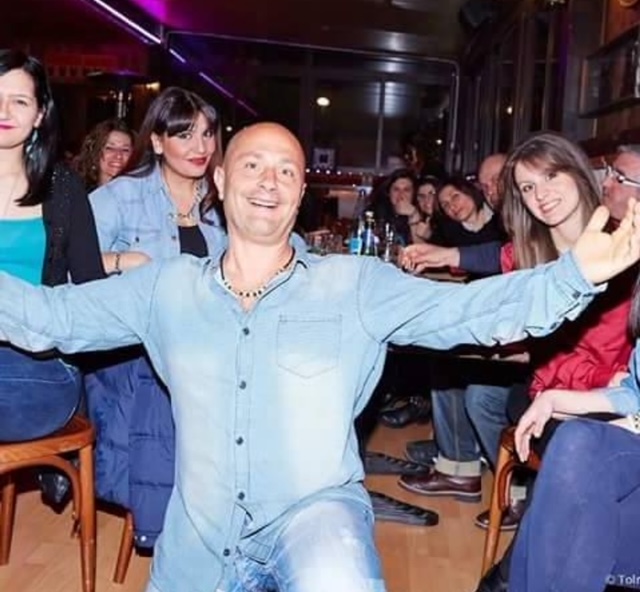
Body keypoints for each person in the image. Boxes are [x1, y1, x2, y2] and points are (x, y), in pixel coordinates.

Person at [0, 122, 637, 592]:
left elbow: (472, 311)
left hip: (316, 520)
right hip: (200, 534)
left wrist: (573, 275)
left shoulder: (353, 285)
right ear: (219, 181)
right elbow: (51, 318)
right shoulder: (164, 289)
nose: (268, 181)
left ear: (301, 192)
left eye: (286, 171)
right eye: (252, 165)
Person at [400, 133, 634, 541]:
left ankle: (532, 527)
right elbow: (495, 261)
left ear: (578, 173)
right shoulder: (526, 254)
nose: (540, 194)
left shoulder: (623, 246)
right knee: (481, 391)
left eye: (550, 176)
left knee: (568, 450)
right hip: (550, 393)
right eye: (527, 187)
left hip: (608, 398)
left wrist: (626, 381)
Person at [84, 86, 225, 548]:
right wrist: (125, 261)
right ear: (159, 141)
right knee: (169, 378)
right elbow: (64, 262)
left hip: (206, 345)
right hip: (129, 349)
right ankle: (170, 529)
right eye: (185, 135)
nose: (200, 146)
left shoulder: (221, 202)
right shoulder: (123, 196)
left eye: (207, 134)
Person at [0, 48, 105, 443]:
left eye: (19, 101)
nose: (4, 111)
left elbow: (92, 290)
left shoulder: (62, 188)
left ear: (40, 113)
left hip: (37, 363)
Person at [72, 117, 134, 192]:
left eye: (125, 150)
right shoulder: (79, 194)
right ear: (95, 153)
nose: (118, 155)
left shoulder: (140, 196)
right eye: (110, 148)